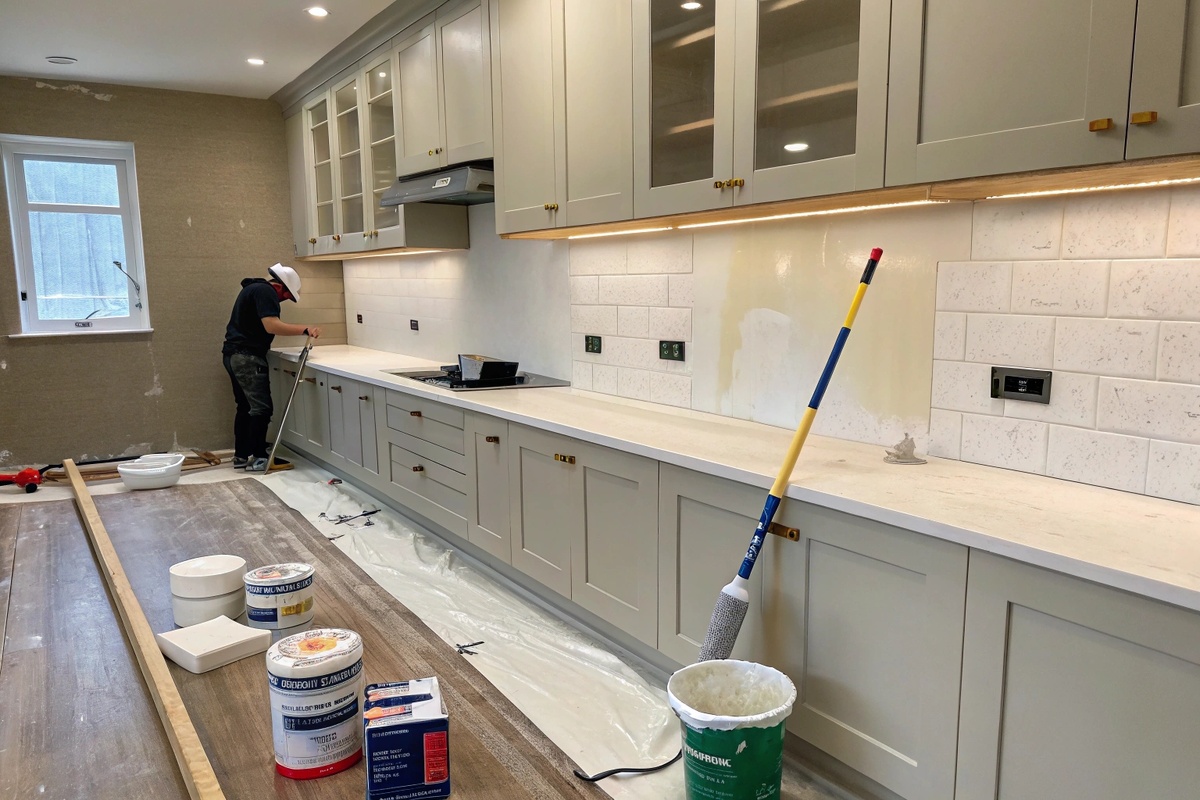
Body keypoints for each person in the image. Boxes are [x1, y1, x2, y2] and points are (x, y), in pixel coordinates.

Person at [222, 264, 322, 472]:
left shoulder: (253, 289)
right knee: (261, 408)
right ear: (281, 287)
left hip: (234, 354)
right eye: (286, 296)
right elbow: (271, 325)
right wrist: (305, 329)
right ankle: (260, 458)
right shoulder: (265, 291)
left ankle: (241, 455)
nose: (283, 300)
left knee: (245, 406)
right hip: (248, 357)